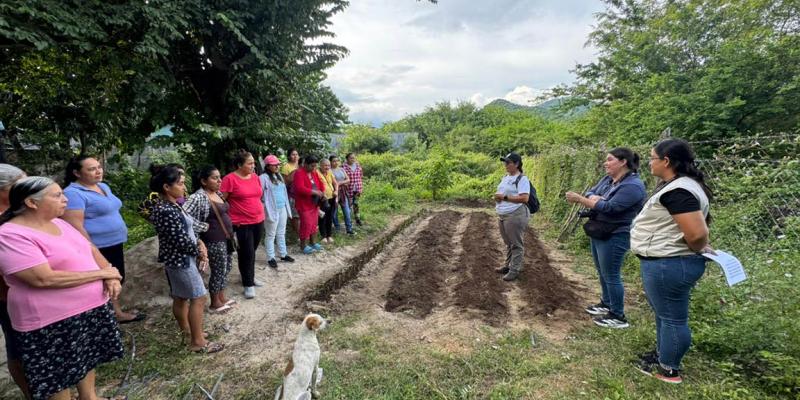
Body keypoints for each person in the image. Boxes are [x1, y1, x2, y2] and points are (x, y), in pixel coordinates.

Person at [0, 176, 125, 400]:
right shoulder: (9, 235)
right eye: (57, 195)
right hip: (51, 320)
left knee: (85, 359)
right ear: (31, 203)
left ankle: (90, 397)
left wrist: (110, 274)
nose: (65, 200)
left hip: (89, 308)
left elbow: (89, 249)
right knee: (58, 377)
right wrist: (101, 274)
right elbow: (42, 279)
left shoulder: (59, 222)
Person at [630, 138, 712, 384]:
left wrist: (697, 245)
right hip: (667, 261)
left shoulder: (679, 190)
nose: (649, 163)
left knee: (673, 318)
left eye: (652, 158)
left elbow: (697, 234)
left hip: (669, 263)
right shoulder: (681, 185)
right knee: (665, 314)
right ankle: (663, 355)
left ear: (666, 161)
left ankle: (669, 369)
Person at [565, 148, 646, 329]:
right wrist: (594, 199)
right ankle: (606, 302)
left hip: (616, 234)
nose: (605, 163)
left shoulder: (632, 186)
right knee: (602, 270)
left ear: (623, 162)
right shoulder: (609, 180)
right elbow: (591, 193)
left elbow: (610, 208)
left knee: (611, 274)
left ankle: (617, 315)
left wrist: (582, 199)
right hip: (600, 230)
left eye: (609, 160)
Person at [61, 155, 146, 324]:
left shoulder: (103, 186)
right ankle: (112, 316)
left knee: (117, 277)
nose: (98, 171)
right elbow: (75, 226)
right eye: (91, 169)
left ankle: (114, 312)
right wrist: (90, 248)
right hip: (98, 247)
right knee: (105, 281)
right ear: (77, 173)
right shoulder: (73, 193)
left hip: (114, 243)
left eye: (99, 167)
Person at [150, 166, 224, 354]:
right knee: (198, 297)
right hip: (180, 261)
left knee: (181, 297)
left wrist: (199, 242)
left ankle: (188, 331)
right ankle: (197, 342)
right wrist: (199, 251)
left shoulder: (173, 205)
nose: (184, 188)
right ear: (167, 187)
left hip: (181, 259)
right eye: (180, 184)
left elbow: (187, 232)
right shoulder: (165, 210)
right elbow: (180, 239)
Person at [183, 166, 236, 313]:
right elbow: (183, 217)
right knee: (218, 269)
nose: (219, 180)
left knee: (227, 267)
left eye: (220, 177)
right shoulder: (198, 197)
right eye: (214, 178)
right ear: (203, 181)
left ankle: (221, 297)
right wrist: (203, 226)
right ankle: (215, 303)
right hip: (213, 240)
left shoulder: (217, 193)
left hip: (226, 238)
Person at [0, 164, 29, 399]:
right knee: (17, 346)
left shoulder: (19, 210)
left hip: (34, 289)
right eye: (20, 184)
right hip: (7, 293)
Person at [221, 150, 266, 299]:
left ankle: (248, 276)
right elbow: (221, 200)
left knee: (251, 251)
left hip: (258, 220)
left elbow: (259, 195)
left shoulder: (255, 177)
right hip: (241, 223)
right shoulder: (229, 179)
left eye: (253, 162)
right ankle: (248, 284)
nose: (254, 165)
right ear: (240, 165)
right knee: (247, 253)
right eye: (250, 163)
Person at [493, 152, 531, 282]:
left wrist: (503, 197)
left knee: (516, 243)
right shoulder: (505, 177)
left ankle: (514, 270)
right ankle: (507, 266)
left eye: (508, 162)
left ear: (516, 164)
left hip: (515, 214)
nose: (506, 165)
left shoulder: (522, 179)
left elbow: (524, 198)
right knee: (508, 243)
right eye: (505, 162)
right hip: (503, 214)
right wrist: (498, 199)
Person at [260, 155, 295, 269]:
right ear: (268, 166)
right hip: (271, 209)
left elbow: (284, 191)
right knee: (271, 234)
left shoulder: (278, 175)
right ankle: (270, 257)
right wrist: (264, 206)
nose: (277, 166)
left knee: (281, 232)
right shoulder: (263, 178)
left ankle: (283, 254)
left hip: (282, 208)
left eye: (277, 164)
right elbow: (260, 194)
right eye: (274, 164)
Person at [292, 155, 326, 254]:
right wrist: (314, 192)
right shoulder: (299, 173)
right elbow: (299, 188)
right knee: (306, 224)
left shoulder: (314, 172)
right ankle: (303, 245)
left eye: (315, 166)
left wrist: (322, 192)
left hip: (314, 203)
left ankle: (313, 242)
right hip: (304, 204)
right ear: (305, 164)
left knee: (314, 224)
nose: (314, 168)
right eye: (312, 166)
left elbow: (321, 183)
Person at [330, 155, 355, 235]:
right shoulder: (329, 171)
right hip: (334, 192)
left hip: (344, 192)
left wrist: (340, 182)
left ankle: (349, 229)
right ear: (330, 162)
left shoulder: (341, 169)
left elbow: (348, 179)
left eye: (337, 161)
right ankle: (337, 228)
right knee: (334, 212)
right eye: (334, 161)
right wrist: (341, 184)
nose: (336, 162)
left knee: (347, 211)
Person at [281, 148, 301, 238]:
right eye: (293, 154)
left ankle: (303, 233)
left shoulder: (301, 165)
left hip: (302, 194)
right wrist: (294, 174)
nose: (295, 156)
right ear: (289, 156)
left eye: (296, 154)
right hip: (291, 194)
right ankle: (297, 235)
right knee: (295, 215)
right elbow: (284, 182)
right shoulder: (286, 166)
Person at [317, 158, 338, 244]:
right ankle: (323, 236)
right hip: (322, 199)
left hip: (332, 197)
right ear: (320, 166)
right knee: (322, 217)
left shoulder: (330, 172)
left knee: (330, 217)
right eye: (325, 165)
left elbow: (335, 183)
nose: (327, 167)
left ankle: (329, 235)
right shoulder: (316, 173)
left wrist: (336, 190)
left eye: (328, 165)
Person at [342, 152, 364, 226]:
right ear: (347, 159)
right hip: (348, 189)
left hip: (357, 188)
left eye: (354, 158)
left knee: (356, 203)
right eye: (351, 158)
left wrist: (360, 183)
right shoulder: (343, 167)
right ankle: (349, 220)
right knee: (349, 205)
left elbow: (361, 175)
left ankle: (357, 219)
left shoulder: (357, 165)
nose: (353, 159)